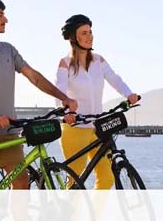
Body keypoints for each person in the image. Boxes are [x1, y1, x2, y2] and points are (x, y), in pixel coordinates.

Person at [0, 0, 77, 189]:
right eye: (0, 14)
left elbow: (34, 77)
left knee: (21, 182)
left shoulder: (8, 50)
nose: (5, 20)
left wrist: (64, 98)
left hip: (9, 128)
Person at [55, 14, 138, 189]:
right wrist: (67, 113)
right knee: (74, 182)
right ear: (73, 37)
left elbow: (114, 78)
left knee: (107, 177)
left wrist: (129, 94)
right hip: (75, 128)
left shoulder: (99, 61)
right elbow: (59, 92)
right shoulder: (65, 64)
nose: (90, 36)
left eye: (90, 32)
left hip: (98, 127)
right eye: (84, 33)